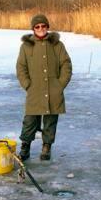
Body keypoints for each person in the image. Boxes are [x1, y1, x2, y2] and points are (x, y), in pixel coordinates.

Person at [16, 14, 72, 161]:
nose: (41, 29)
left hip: (53, 90)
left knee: (50, 120)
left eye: (43, 26)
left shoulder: (57, 45)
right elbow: (21, 68)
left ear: (47, 27)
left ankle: (47, 146)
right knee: (30, 120)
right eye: (37, 26)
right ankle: (25, 145)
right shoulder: (26, 46)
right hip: (34, 90)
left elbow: (66, 64)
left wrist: (60, 84)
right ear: (33, 29)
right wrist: (27, 84)